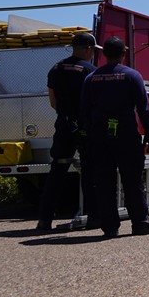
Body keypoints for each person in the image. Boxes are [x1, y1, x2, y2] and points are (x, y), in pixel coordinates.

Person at [80, 37, 149, 238]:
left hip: (99, 135)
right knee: (132, 180)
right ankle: (140, 223)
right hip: (125, 133)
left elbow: (84, 110)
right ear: (123, 53)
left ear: (104, 53)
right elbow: (143, 107)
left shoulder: (91, 78)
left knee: (104, 181)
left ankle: (109, 227)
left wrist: (86, 134)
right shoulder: (132, 76)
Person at [35, 32, 99, 231]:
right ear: (88, 49)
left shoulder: (55, 68)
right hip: (84, 127)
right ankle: (93, 217)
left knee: (57, 170)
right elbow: (94, 102)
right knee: (89, 170)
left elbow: (53, 102)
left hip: (63, 125)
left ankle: (45, 219)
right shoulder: (90, 70)